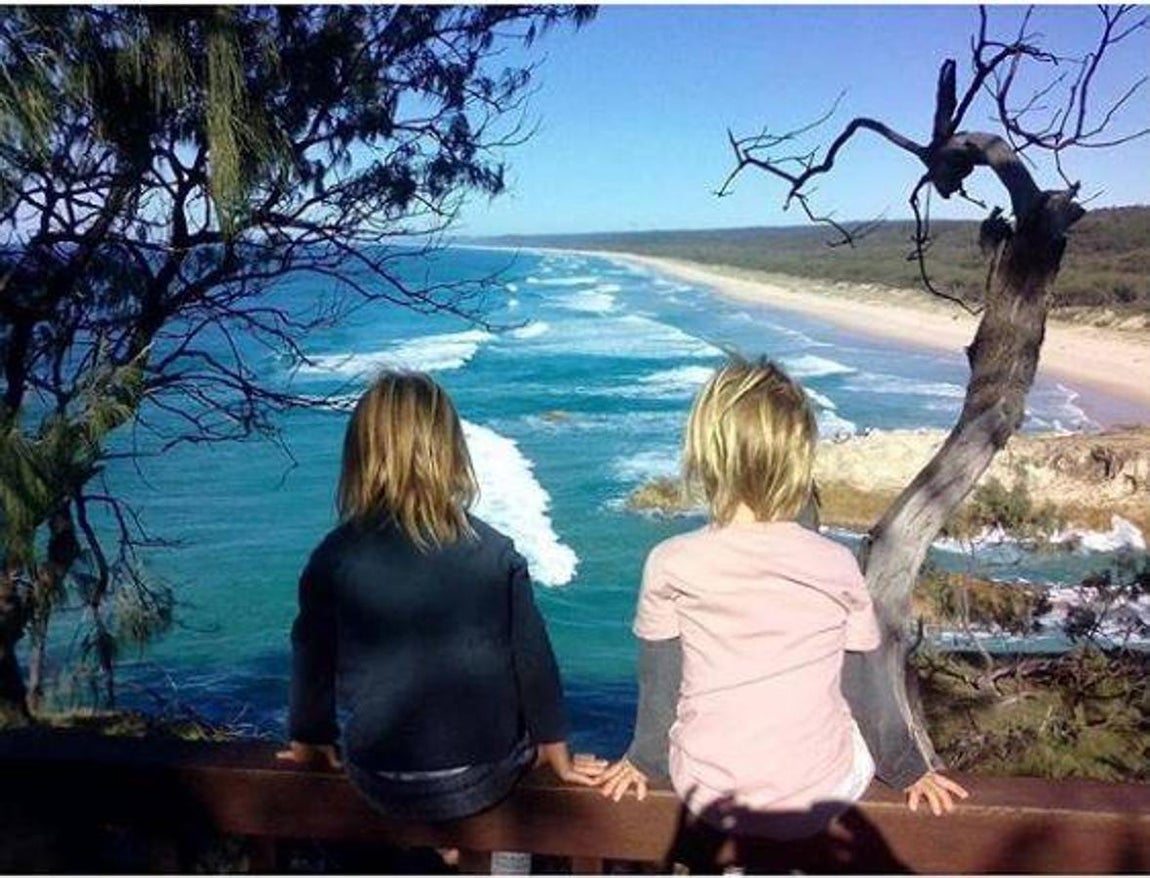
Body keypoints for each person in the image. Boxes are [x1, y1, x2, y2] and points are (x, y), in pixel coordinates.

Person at [594, 356, 968, 840]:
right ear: (798, 458)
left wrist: (643, 761)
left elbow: (661, 686)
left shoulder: (670, 563)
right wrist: (908, 770)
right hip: (821, 793)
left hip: (710, 791)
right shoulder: (836, 565)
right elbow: (866, 691)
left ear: (706, 457)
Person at [278, 370, 602, 821]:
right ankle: (501, 870)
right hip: (482, 775)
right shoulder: (495, 551)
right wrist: (554, 748)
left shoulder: (333, 557)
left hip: (380, 777)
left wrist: (309, 736)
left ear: (361, 454)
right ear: (450, 452)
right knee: (519, 787)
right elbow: (533, 661)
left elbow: (311, 656)